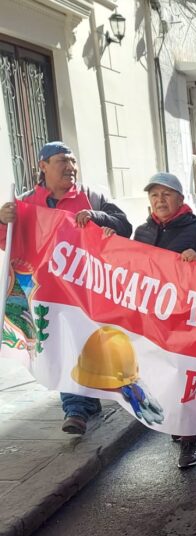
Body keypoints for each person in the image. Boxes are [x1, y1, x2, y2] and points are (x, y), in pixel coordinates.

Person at [0, 141, 133, 435]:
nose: (70, 167)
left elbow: (124, 226)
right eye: (62, 161)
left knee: (86, 344)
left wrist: (97, 218)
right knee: (61, 346)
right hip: (45, 293)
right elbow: (7, 244)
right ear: (42, 166)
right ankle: (75, 409)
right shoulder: (24, 203)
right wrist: (2, 220)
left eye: (72, 161)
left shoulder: (92, 197)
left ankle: (86, 400)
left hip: (87, 290)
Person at [133, 173, 196, 468]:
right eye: (154, 195)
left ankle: (189, 440)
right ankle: (177, 422)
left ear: (181, 200)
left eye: (166, 195)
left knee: (182, 377)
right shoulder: (142, 233)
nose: (160, 201)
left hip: (186, 320)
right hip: (153, 320)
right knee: (160, 377)